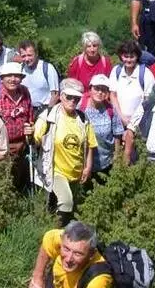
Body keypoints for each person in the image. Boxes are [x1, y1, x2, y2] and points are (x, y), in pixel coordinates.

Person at [34, 79, 98, 226]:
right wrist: (30, 134)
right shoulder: (48, 116)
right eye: (69, 97)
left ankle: (64, 231)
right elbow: (35, 140)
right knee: (66, 202)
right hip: (55, 170)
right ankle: (57, 234)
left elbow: (90, 144)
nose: (72, 101)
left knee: (72, 206)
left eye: (76, 98)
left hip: (76, 171)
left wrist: (88, 167)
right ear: (61, 96)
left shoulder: (83, 118)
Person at [0, 61, 35, 192]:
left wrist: (30, 128)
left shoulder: (25, 92)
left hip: (22, 145)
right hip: (3, 147)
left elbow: (30, 114)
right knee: (5, 179)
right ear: (2, 78)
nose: (13, 79)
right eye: (9, 76)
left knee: (20, 180)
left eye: (17, 76)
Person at [29, 221, 113, 288]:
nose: (69, 259)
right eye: (66, 249)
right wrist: (37, 278)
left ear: (91, 254)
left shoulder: (98, 280)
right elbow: (48, 238)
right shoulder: (65, 238)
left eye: (77, 254)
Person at [78, 74, 124, 183]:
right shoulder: (80, 107)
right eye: (96, 89)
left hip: (106, 161)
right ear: (90, 89)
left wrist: (117, 156)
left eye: (103, 90)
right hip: (84, 163)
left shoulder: (110, 109)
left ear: (107, 93)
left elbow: (117, 133)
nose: (100, 92)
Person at [108, 40, 155, 128]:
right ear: (121, 56)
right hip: (118, 120)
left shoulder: (145, 74)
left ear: (137, 57)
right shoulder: (116, 71)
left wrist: (133, 121)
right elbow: (113, 95)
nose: (128, 60)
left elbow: (147, 100)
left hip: (139, 122)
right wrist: (122, 117)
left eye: (132, 57)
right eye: (126, 56)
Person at [19, 39, 60, 117]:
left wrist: (47, 114)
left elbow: (55, 95)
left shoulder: (47, 68)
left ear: (36, 54)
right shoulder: (20, 69)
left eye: (29, 55)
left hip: (45, 110)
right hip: (27, 112)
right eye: (23, 56)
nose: (27, 59)